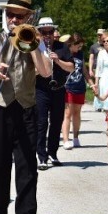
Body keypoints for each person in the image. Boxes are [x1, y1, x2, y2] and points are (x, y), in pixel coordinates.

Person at [0, 0, 52, 214]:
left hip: (25, 108)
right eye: (10, 14)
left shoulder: (36, 40)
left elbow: (45, 72)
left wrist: (33, 47)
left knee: (27, 167)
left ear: (28, 18)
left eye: (19, 16)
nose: (13, 19)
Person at [34, 17, 72, 170]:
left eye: (50, 31)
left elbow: (71, 67)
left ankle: (52, 153)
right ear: (40, 33)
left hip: (58, 89)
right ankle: (41, 156)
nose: (48, 35)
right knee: (41, 123)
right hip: (41, 90)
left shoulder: (62, 47)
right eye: (44, 32)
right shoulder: (36, 47)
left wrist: (58, 61)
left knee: (56, 123)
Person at [61, 33, 88, 150]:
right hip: (67, 86)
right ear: (72, 44)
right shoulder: (64, 53)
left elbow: (84, 70)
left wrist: (91, 83)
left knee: (77, 113)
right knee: (67, 114)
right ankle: (66, 140)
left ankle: (76, 137)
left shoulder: (80, 54)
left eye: (81, 46)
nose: (79, 49)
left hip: (80, 86)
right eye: (78, 46)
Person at [89, 29, 105, 111]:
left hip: (105, 69)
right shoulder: (93, 46)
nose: (99, 36)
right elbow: (91, 58)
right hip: (96, 68)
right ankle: (98, 105)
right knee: (97, 86)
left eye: (101, 35)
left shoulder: (107, 45)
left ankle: (105, 103)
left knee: (104, 86)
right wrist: (90, 69)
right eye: (98, 35)